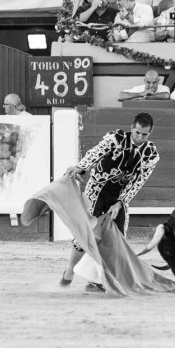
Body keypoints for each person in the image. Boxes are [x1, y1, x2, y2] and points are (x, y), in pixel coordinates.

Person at [61, 112, 159, 290]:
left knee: (117, 239)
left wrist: (120, 202)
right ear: (132, 128)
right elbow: (95, 154)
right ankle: (69, 271)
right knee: (86, 233)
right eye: (137, 132)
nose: (140, 138)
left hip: (119, 196)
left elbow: (138, 182)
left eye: (144, 135)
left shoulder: (150, 154)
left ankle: (96, 281)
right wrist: (80, 167)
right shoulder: (116, 139)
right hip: (97, 190)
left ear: (149, 133)